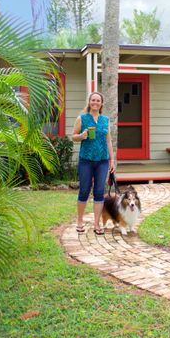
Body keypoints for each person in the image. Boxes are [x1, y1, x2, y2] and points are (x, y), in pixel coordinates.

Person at [72, 91, 115, 235]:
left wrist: (112, 160)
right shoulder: (82, 118)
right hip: (86, 160)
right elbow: (73, 137)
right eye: (93, 100)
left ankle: (97, 224)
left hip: (102, 161)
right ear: (89, 102)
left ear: (101, 103)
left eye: (98, 100)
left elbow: (108, 140)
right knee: (84, 190)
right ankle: (79, 221)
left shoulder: (105, 120)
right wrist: (82, 136)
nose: (95, 102)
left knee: (99, 192)